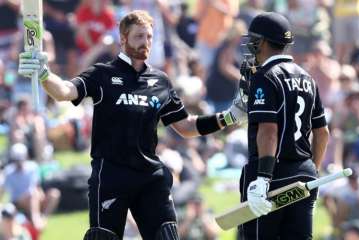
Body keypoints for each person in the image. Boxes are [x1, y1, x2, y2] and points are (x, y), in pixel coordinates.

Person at [18, 10, 247, 240]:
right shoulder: (103, 74)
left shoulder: (160, 82)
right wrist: (45, 74)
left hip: (150, 176)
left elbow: (186, 125)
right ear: (124, 38)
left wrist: (228, 117)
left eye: (149, 37)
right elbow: (65, 92)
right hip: (111, 176)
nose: (145, 42)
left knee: (167, 235)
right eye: (139, 36)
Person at [238, 12, 329, 239]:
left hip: (272, 175)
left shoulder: (265, 76)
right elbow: (323, 133)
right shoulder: (308, 78)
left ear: (265, 42)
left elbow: (268, 131)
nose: (251, 45)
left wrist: (262, 179)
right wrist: (312, 174)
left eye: (254, 39)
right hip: (304, 172)